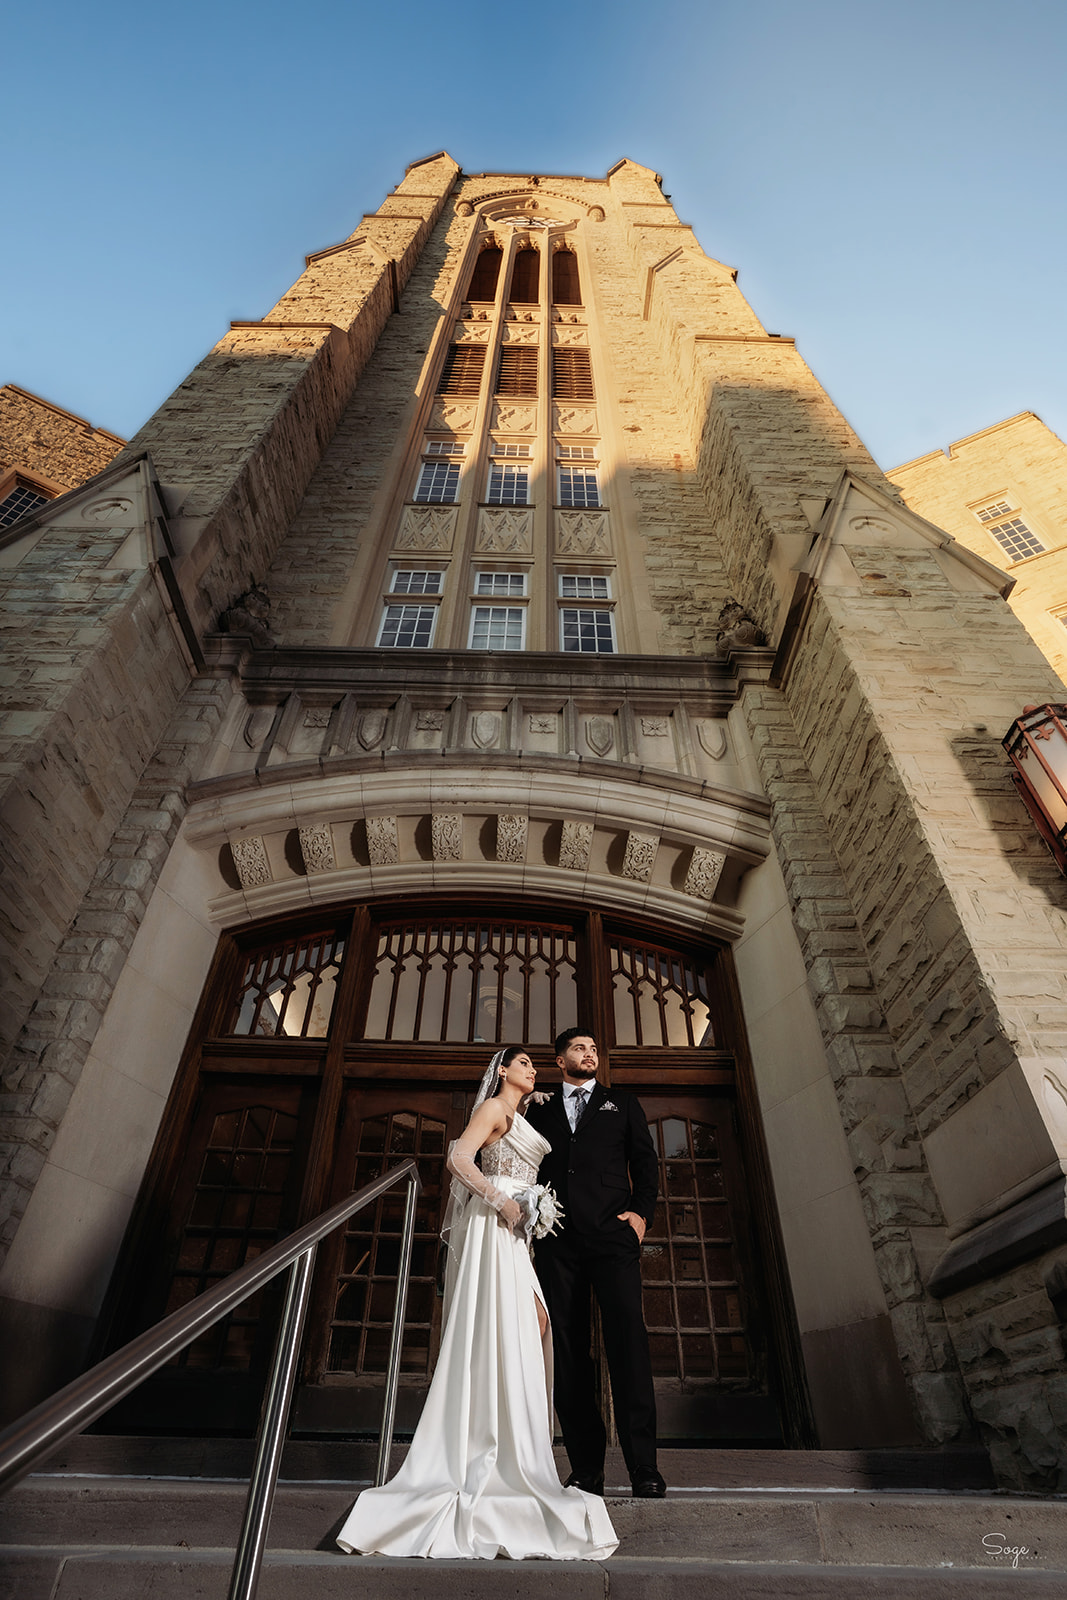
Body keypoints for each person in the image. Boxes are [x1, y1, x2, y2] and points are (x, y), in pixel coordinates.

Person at [336, 1046, 618, 1561]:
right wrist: (504, 1200)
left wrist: (531, 1208)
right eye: (525, 1063)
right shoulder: (493, 1108)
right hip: (494, 1226)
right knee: (518, 1323)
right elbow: (457, 1158)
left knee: (531, 1323)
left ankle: (515, 1442)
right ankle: (489, 1442)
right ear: (503, 1071)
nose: (533, 1069)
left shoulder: (521, 1111)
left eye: (537, 1063)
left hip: (515, 1234)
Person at [524, 1028, 666, 1499]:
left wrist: (640, 1217)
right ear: (559, 1059)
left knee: (628, 1343)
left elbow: (646, 1166)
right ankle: (587, 1469)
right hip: (557, 1242)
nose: (591, 1054)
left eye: (593, 1049)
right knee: (568, 1351)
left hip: (612, 1237)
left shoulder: (622, 1104)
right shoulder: (540, 1107)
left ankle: (644, 1466)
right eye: (580, 1049)